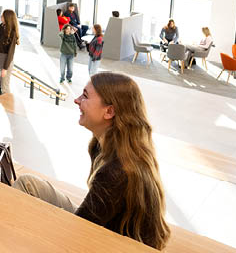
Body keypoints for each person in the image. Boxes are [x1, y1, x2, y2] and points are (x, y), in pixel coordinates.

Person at [12, 72, 171, 250]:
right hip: (104, 232)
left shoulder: (116, 171)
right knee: (28, 184)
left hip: (118, 247)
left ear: (109, 111)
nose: (77, 100)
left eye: (85, 96)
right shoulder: (100, 146)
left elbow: (78, 233)